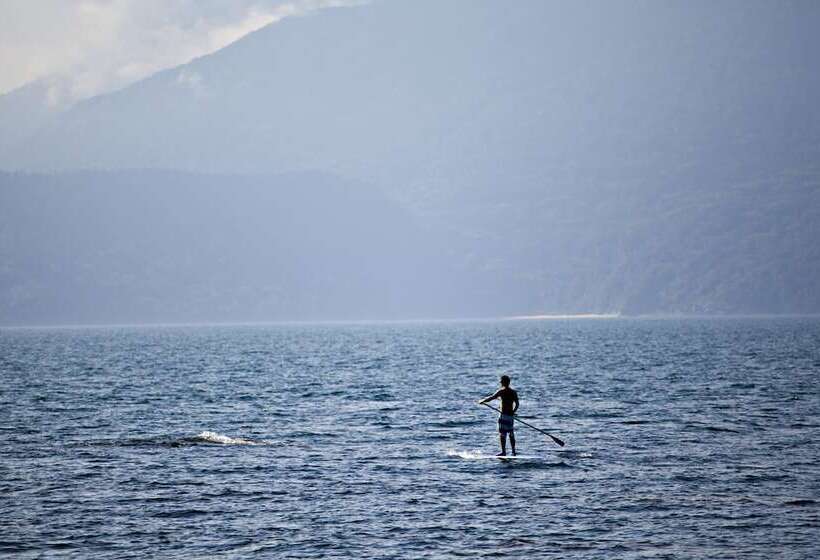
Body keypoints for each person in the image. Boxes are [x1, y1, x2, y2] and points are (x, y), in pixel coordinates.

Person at [478, 375, 519, 456]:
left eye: (501, 381)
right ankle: (513, 451)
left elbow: (492, 397)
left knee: (502, 434)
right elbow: (517, 404)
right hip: (510, 416)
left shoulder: (501, 391)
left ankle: (504, 452)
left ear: (503, 382)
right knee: (511, 433)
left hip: (503, 415)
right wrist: (513, 411)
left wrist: (482, 401)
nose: (500, 383)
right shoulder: (513, 392)